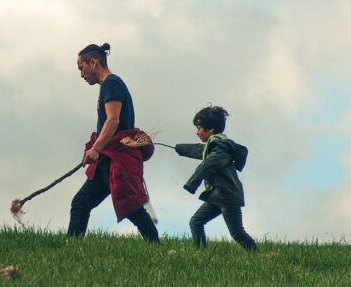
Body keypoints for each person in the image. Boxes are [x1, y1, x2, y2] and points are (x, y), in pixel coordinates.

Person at [67, 43, 159, 243]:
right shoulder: (109, 85)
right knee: (81, 203)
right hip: (107, 160)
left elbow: (113, 120)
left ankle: (156, 247)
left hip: (116, 160)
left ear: (93, 62)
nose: (81, 74)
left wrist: (95, 148)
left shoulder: (112, 84)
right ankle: (71, 248)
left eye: (81, 68)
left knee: (132, 208)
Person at [175, 106, 257, 250]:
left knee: (237, 233)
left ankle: (258, 256)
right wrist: (177, 148)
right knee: (196, 222)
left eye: (199, 128)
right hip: (217, 195)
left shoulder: (220, 149)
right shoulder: (215, 147)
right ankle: (200, 253)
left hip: (228, 197)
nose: (197, 132)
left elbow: (207, 164)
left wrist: (191, 184)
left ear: (210, 129)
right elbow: (198, 150)